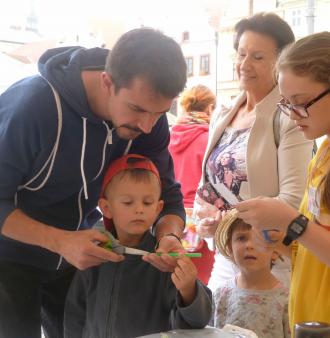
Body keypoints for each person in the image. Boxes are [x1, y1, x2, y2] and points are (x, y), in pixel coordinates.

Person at [0, 28, 187, 338]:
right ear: (107, 81)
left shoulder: (149, 119)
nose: (147, 125)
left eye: (160, 113)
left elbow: (168, 194)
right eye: (137, 109)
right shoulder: (33, 107)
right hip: (9, 256)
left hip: (79, 250)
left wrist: (170, 237)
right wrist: (60, 241)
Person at [194, 12, 314, 292]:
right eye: (241, 54)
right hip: (226, 259)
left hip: (271, 263)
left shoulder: (290, 117)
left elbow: (292, 200)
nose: (244, 65)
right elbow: (208, 188)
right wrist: (208, 220)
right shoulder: (223, 113)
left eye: (258, 57)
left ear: (281, 62)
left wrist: (228, 223)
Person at [236, 31, 330, 330]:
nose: (292, 116)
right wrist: (283, 241)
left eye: (300, 102)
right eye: (286, 104)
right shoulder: (323, 154)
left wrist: (293, 223)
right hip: (311, 317)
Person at [64, 154, 212, 338]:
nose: (139, 209)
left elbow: (198, 322)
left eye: (147, 202)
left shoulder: (164, 260)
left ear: (158, 209)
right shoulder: (94, 254)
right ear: (106, 208)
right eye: (128, 202)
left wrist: (189, 289)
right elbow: (75, 314)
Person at [212, 209, 290, 338]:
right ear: (230, 248)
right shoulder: (220, 294)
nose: (249, 245)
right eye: (241, 238)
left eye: (258, 238)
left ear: (275, 251)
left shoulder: (286, 300)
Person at [169, 84, 216, 284]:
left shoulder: (168, 137)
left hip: (171, 220)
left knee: (173, 278)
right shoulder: (210, 138)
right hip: (200, 219)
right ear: (210, 108)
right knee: (200, 284)